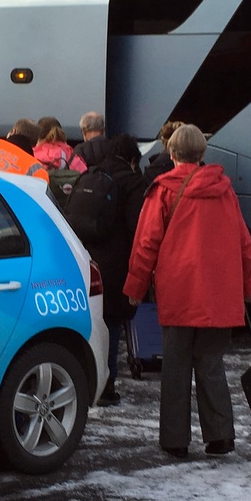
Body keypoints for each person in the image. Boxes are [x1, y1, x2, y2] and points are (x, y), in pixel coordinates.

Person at [124, 124, 251, 458]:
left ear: (171, 153)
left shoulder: (163, 189)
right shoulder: (224, 190)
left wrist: (135, 288)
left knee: (176, 366)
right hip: (219, 294)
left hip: (179, 289)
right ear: (203, 154)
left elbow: (146, 243)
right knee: (212, 364)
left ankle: (175, 440)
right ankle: (221, 436)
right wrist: (249, 287)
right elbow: (244, 244)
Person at [81, 134, 149, 405]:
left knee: (93, 323)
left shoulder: (90, 174)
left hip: (86, 259)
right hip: (116, 263)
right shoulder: (133, 183)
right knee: (111, 324)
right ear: (132, 159)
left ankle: (87, 382)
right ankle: (106, 387)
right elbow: (138, 229)